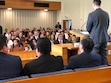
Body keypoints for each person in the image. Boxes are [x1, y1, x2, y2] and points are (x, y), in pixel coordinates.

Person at [86, 0, 110, 65]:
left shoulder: (91, 14)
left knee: (94, 56)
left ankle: (96, 73)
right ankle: (105, 72)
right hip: (105, 38)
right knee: (104, 56)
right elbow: (107, 26)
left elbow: (88, 28)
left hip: (95, 39)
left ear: (93, 4)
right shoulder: (106, 14)